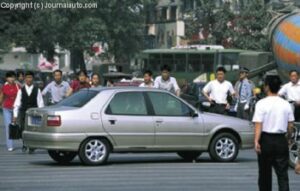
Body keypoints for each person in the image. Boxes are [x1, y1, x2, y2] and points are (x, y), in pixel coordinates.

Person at [252, 75, 294, 191]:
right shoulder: (286, 104)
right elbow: (290, 125)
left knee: (265, 175)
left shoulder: (261, 103)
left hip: (266, 140)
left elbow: (258, 124)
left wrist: (256, 141)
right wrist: (288, 138)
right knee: (282, 175)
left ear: (267, 87)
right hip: (281, 140)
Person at [13, 71, 44, 152]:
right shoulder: (21, 90)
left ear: (33, 79)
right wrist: (15, 115)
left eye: (30, 77)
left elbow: (40, 103)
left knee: (33, 130)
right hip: (24, 113)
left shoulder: (37, 90)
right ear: (25, 79)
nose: (29, 79)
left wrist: (41, 114)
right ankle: (24, 144)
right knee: (23, 129)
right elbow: (17, 103)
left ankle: (32, 146)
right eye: (27, 77)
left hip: (34, 113)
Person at [0, 71, 21, 151]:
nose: (11, 79)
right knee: (8, 126)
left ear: (15, 78)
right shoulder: (4, 87)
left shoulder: (18, 86)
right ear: (6, 78)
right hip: (7, 109)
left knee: (18, 126)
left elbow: (21, 97)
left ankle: (25, 143)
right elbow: (1, 97)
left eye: (13, 77)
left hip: (16, 109)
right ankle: (10, 145)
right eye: (9, 77)